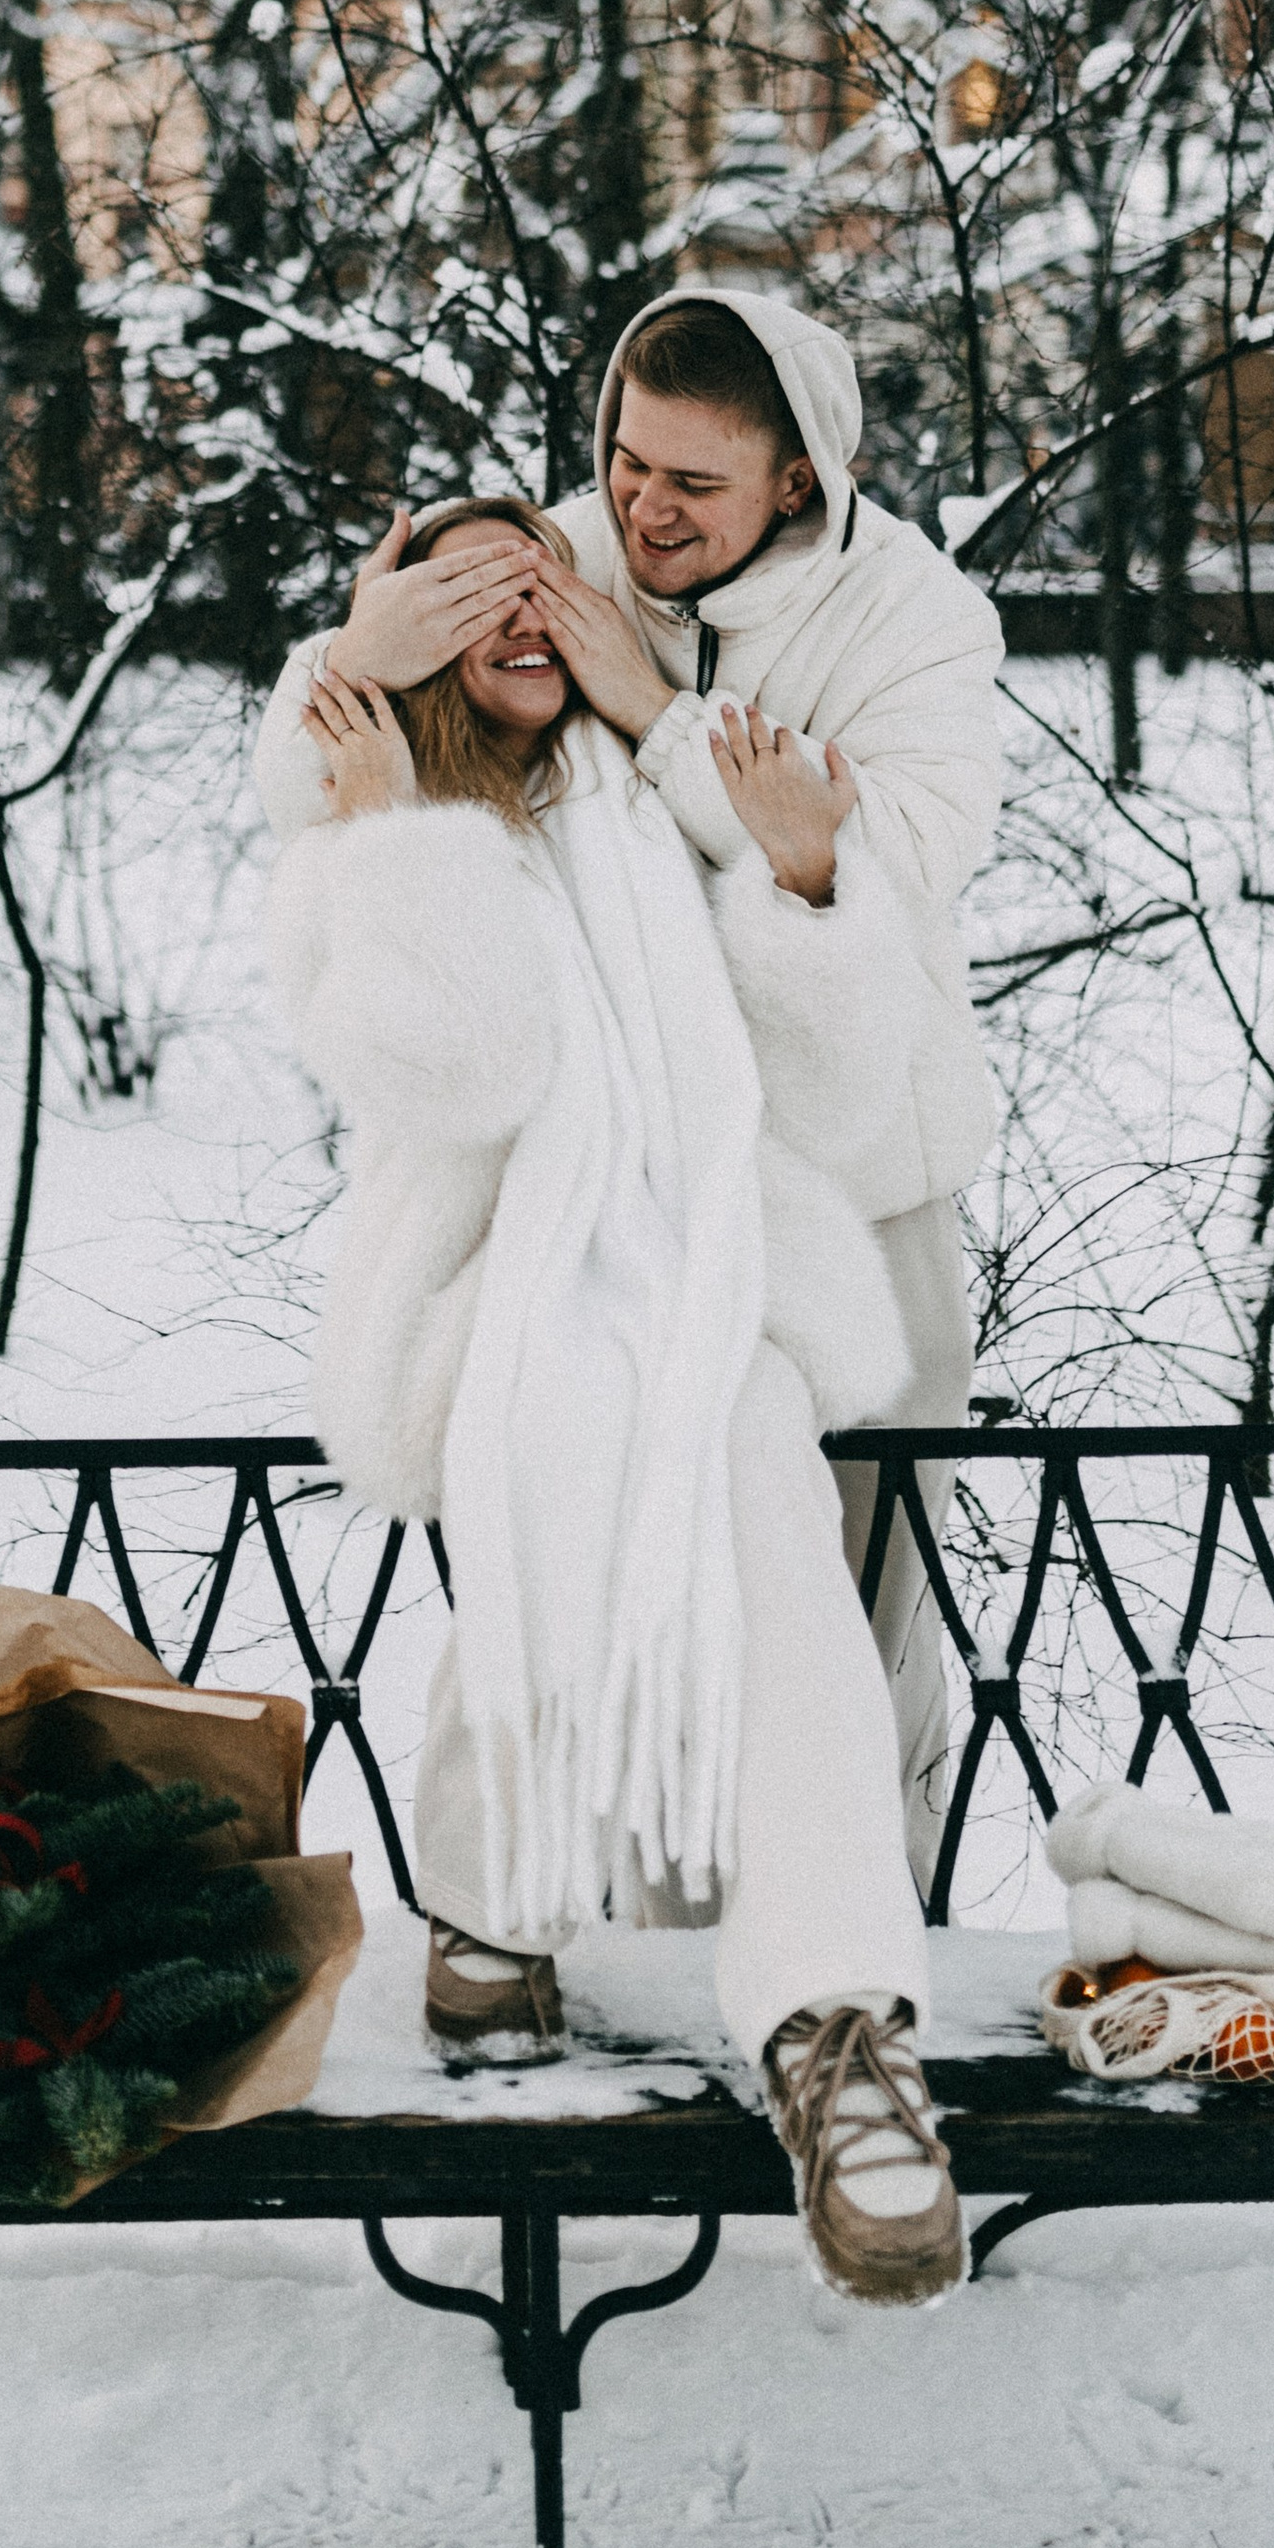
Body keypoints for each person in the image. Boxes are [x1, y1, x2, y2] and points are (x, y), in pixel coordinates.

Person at [263, 496, 965, 2306]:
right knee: (590, 1407)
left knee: (707, 1425)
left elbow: (816, 1084)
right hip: (484, 1301)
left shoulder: (665, 803)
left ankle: (817, 2024)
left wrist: (803, 885)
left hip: (720, 1275)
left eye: (536, 577)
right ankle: (793, 2010)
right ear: (400, 621)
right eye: (458, 584)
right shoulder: (351, 816)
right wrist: (386, 824)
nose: (511, 607)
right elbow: (471, 1068)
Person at [253, 284, 1006, 1898]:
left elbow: (895, 874)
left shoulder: (915, 619)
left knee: (860, 1616)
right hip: (640, 1201)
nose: (639, 509)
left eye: (691, 482)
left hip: (859, 1182)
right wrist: (352, 651)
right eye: (623, 459)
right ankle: (649, 1961)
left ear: (794, 479)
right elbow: (342, 775)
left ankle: (865, 1945)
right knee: (652, 1572)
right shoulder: (574, 550)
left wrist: (663, 721)